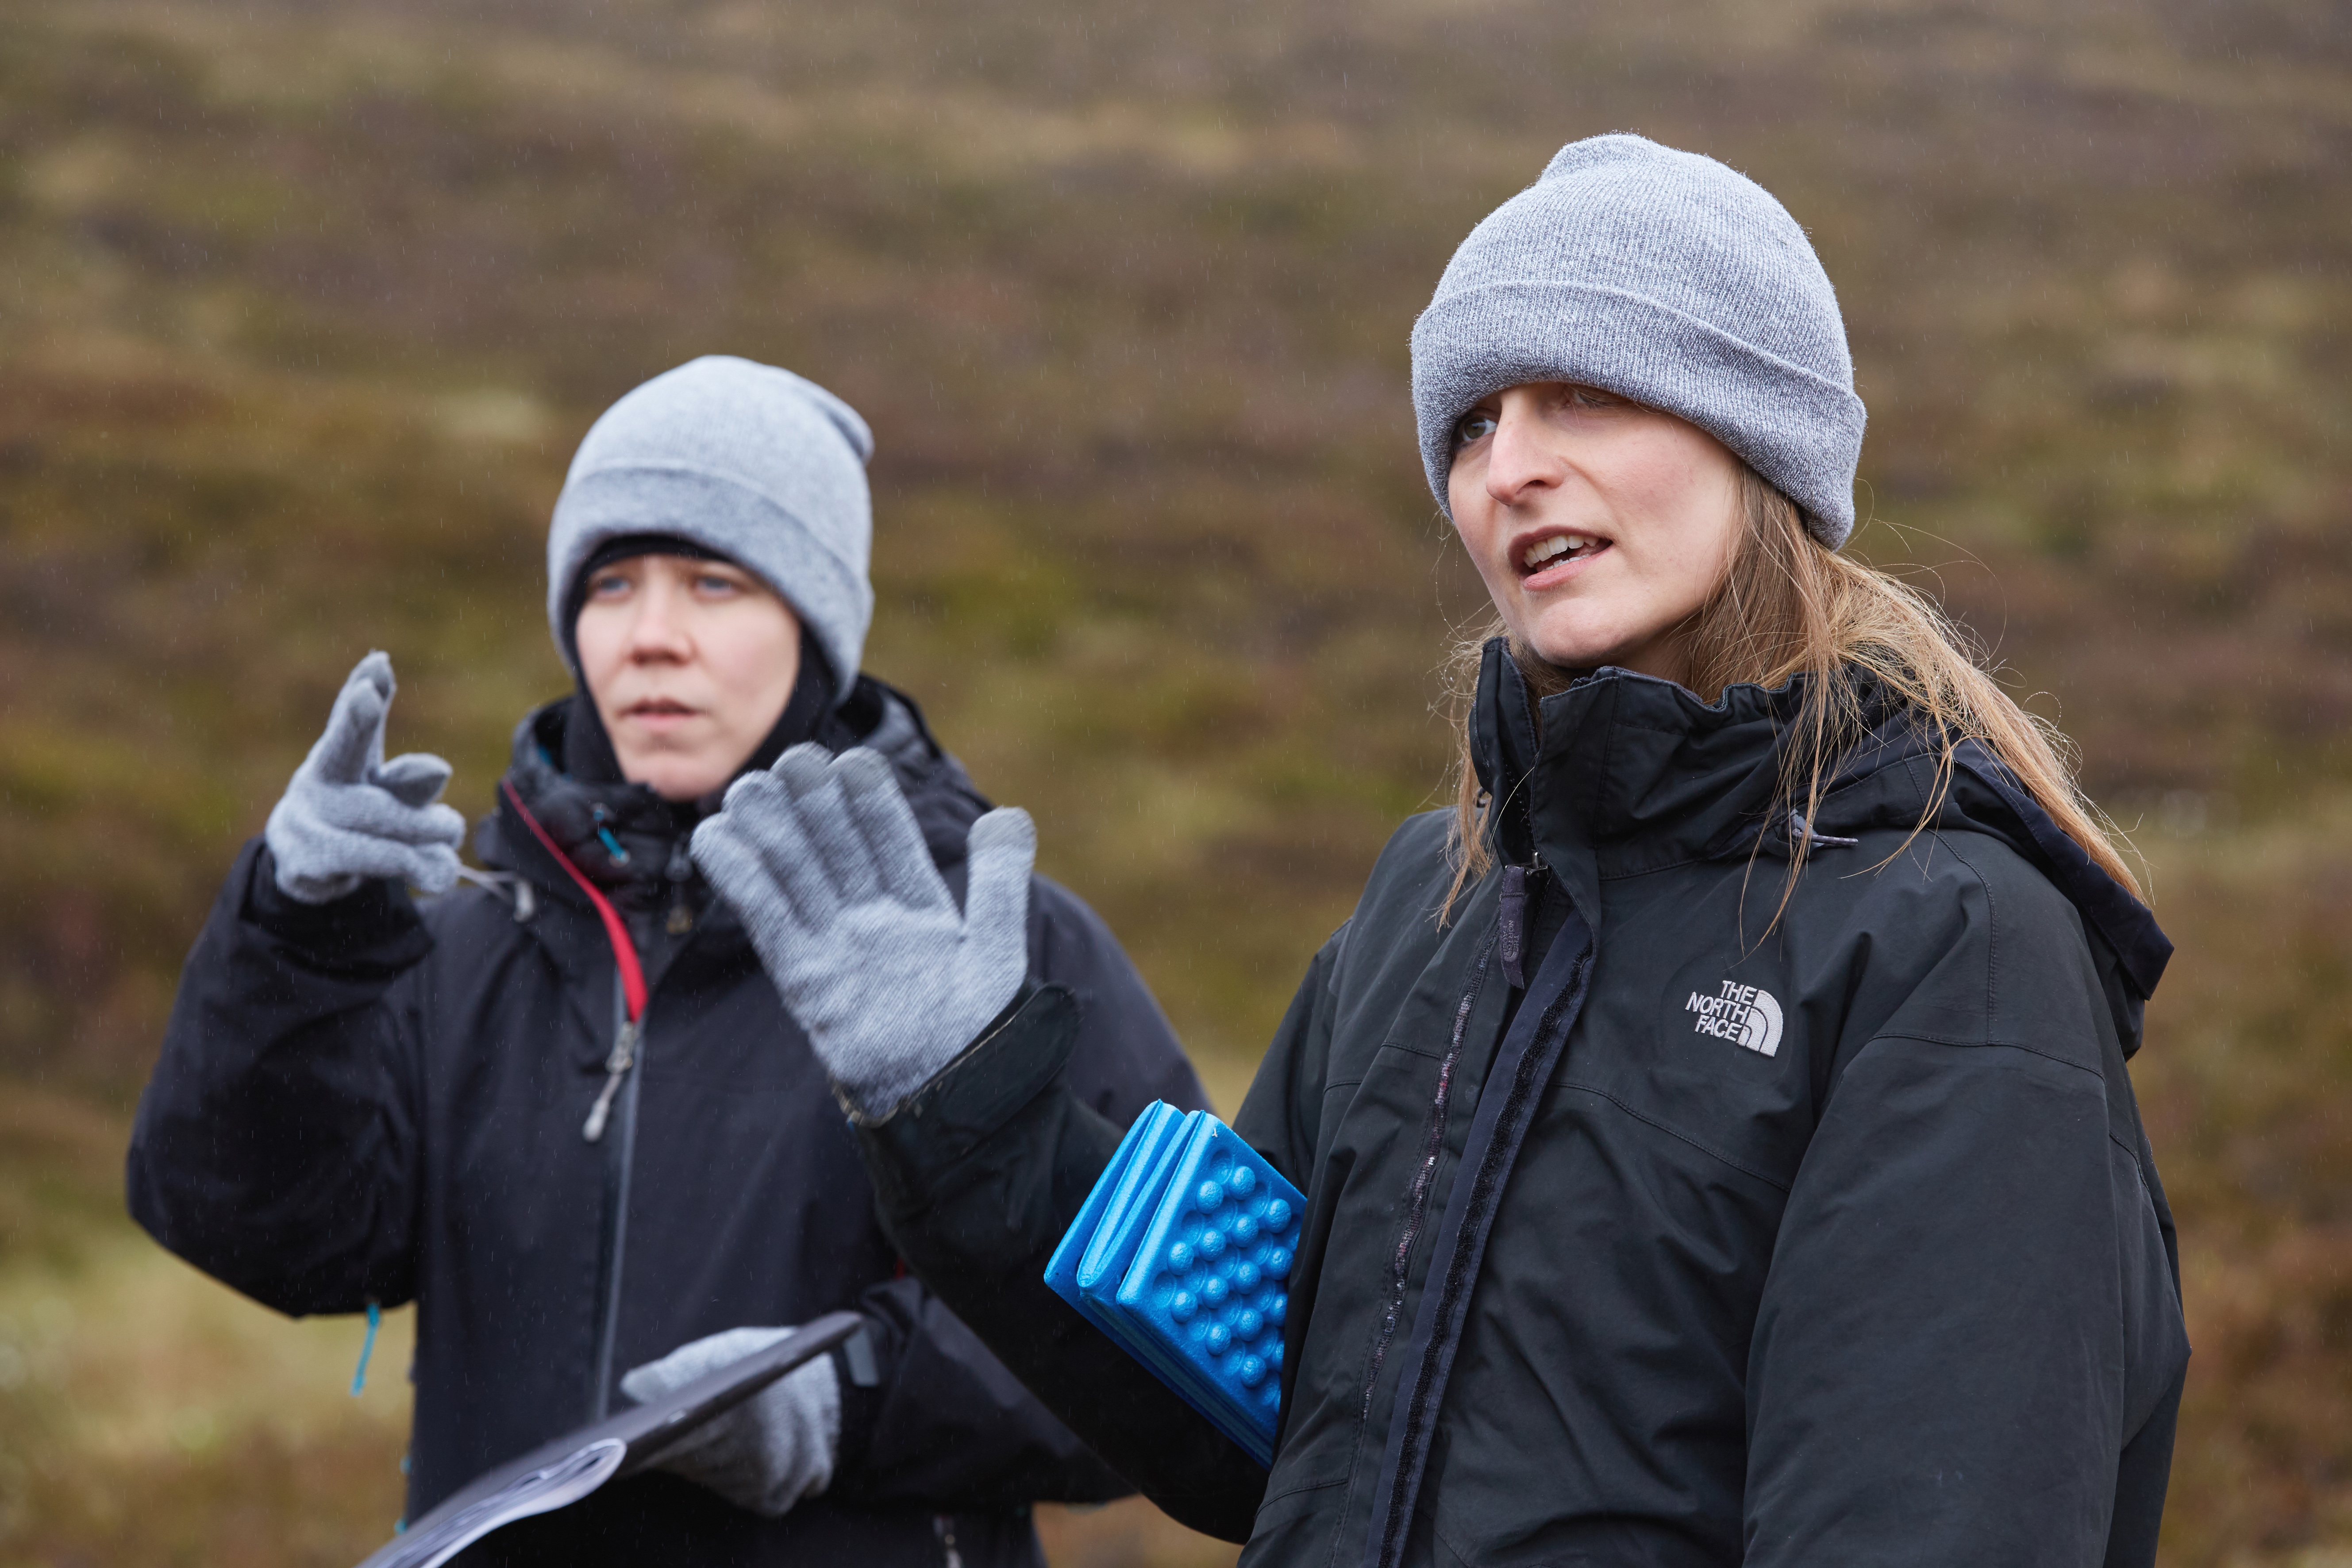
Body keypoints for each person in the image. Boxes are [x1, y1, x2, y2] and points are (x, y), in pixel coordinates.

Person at [684, 138, 2191, 1566]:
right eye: (1471, 425)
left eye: (1581, 398)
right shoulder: (1436, 896)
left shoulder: (1948, 940)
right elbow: (1257, 1424)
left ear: (1755, 439)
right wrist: (973, 1118)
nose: (1506, 467)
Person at [125, 355, 1209, 1566]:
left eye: (714, 583)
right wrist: (294, 939)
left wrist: (839, 1400)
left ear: (815, 626)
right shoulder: (461, 942)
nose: (651, 638)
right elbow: (272, 1236)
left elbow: (1160, 1346)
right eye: (611, 585)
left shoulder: (995, 945)